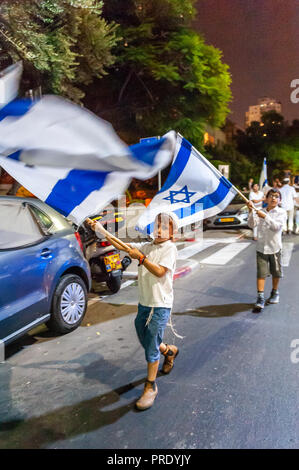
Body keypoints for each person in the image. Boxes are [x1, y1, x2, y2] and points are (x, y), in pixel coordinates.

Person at [87, 212, 179, 411]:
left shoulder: (169, 248)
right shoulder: (147, 246)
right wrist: (99, 230)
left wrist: (143, 259)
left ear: (172, 232)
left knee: (151, 343)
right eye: (157, 225)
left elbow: (160, 271)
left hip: (160, 304)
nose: (159, 230)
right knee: (143, 334)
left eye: (164, 227)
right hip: (145, 302)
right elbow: (123, 246)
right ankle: (169, 351)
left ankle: (150, 386)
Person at [247, 188, 286, 311]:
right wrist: (250, 210)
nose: (273, 198)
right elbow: (252, 224)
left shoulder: (281, 213)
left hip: (275, 248)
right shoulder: (260, 211)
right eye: (271, 196)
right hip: (261, 248)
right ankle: (260, 297)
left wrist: (265, 216)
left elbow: (276, 227)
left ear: (279, 200)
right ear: (266, 198)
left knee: (276, 272)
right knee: (261, 273)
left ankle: (274, 292)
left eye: (276, 196)